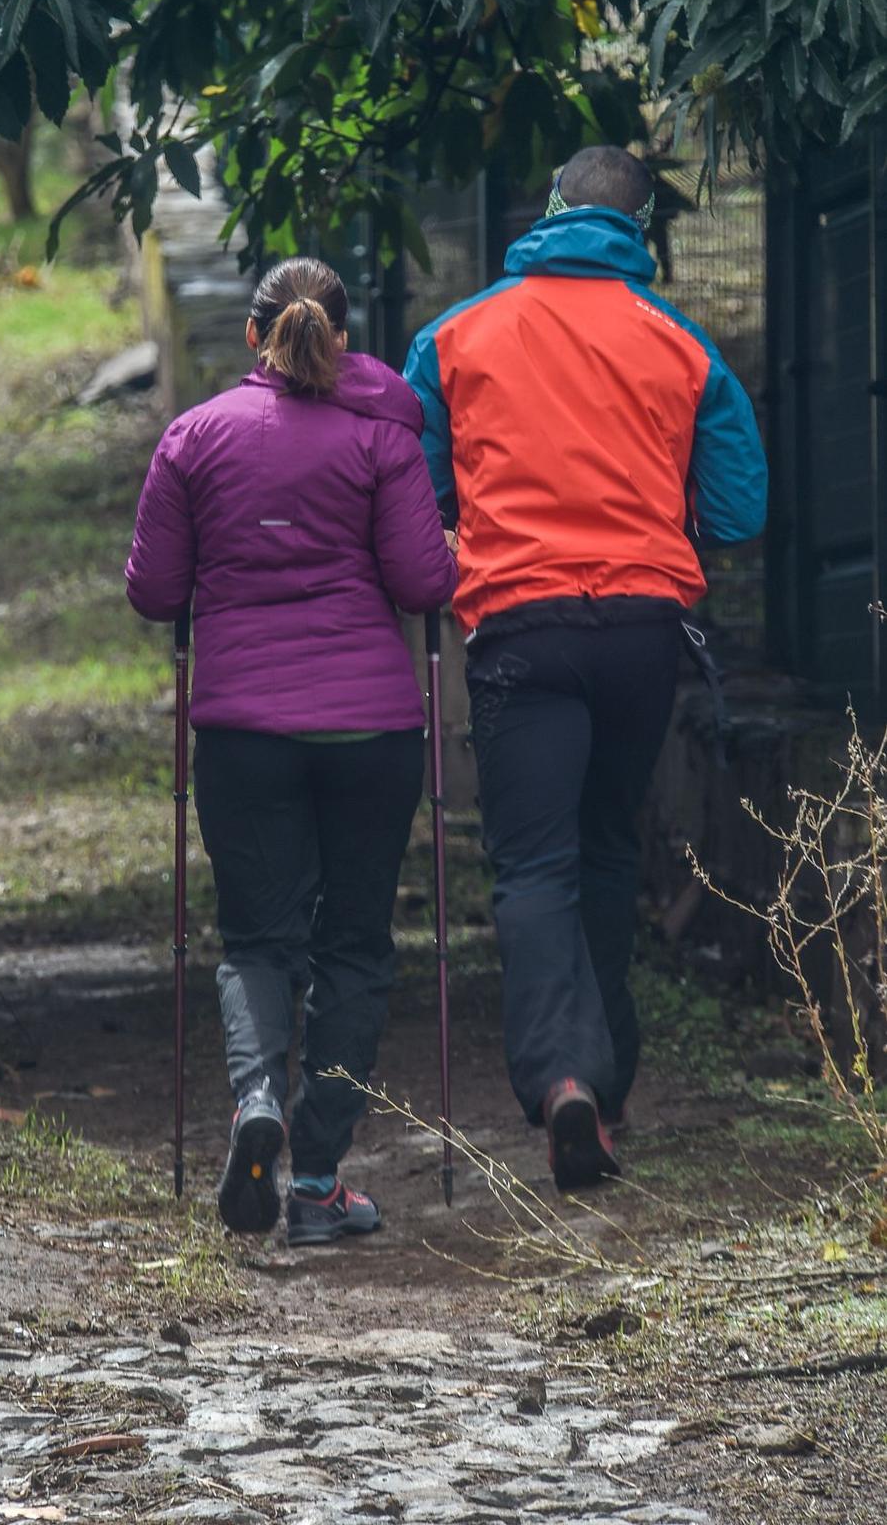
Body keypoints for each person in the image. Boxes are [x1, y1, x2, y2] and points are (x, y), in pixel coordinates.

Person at [404, 146, 767, 1191]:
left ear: (549, 210)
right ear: (642, 228)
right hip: (641, 635)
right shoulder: (680, 344)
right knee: (608, 849)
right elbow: (740, 508)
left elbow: (416, 488)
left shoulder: (455, 335)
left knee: (531, 865)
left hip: (520, 628)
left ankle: (562, 1077)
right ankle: (605, 1093)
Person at [126, 257, 457, 1244]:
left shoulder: (195, 437)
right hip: (370, 733)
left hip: (244, 733)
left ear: (250, 337)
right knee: (353, 945)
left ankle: (256, 1100)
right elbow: (418, 577)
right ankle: (313, 1175)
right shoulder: (385, 432)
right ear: (343, 334)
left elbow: (153, 590)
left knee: (256, 941)